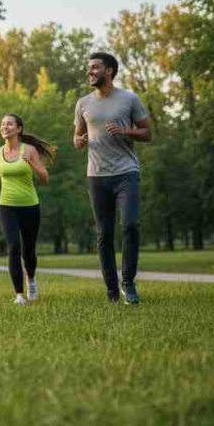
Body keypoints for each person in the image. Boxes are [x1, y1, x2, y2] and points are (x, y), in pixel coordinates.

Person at [74, 51, 152, 305]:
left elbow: (147, 133)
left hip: (126, 172)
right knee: (104, 234)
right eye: (89, 68)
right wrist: (79, 140)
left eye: (95, 68)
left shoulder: (129, 99)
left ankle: (128, 283)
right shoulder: (83, 103)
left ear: (109, 70)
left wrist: (125, 131)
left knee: (130, 224)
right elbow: (77, 137)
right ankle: (111, 290)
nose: (90, 72)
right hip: (96, 176)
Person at [0, 113, 54, 305]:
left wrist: (31, 163)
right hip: (6, 205)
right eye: (2, 124)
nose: (4, 127)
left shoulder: (29, 150)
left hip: (30, 205)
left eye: (9, 124)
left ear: (18, 129)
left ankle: (31, 279)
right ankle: (19, 294)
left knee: (29, 250)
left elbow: (45, 178)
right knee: (13, 247)